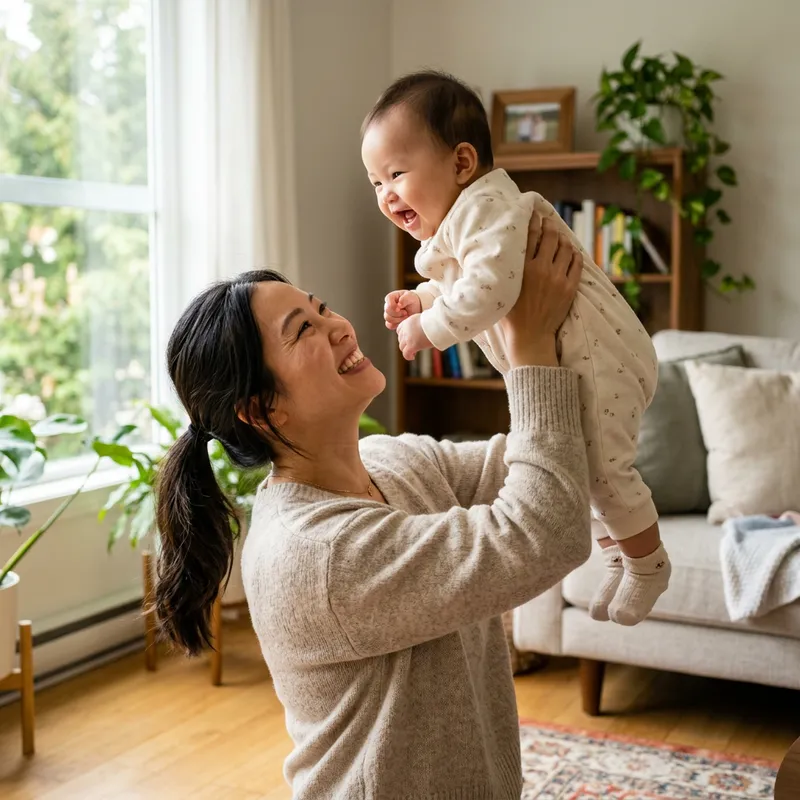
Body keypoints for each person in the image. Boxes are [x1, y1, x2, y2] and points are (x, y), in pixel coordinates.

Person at [154, 213, 591, 799]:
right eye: (302, 330)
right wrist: (530, 345)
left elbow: (545, 461)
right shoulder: (320, 555)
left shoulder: (389, 461)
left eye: (322, 308)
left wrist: (508, 304)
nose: (337, 326)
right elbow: (546, 530)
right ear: (261, 411)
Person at [361, 69, 671, 627]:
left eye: (397, 174)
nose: (385, 195)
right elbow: (470, 280)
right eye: (375, 183)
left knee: (603, 469)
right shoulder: (462, 224)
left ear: (461, 163)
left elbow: (491, 291)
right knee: (582, 467)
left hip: (601, 361)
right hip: (574, 364)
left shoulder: (487, 207)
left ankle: (649, 567)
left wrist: (427, 329)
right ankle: (619, 559)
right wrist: (424, 299)